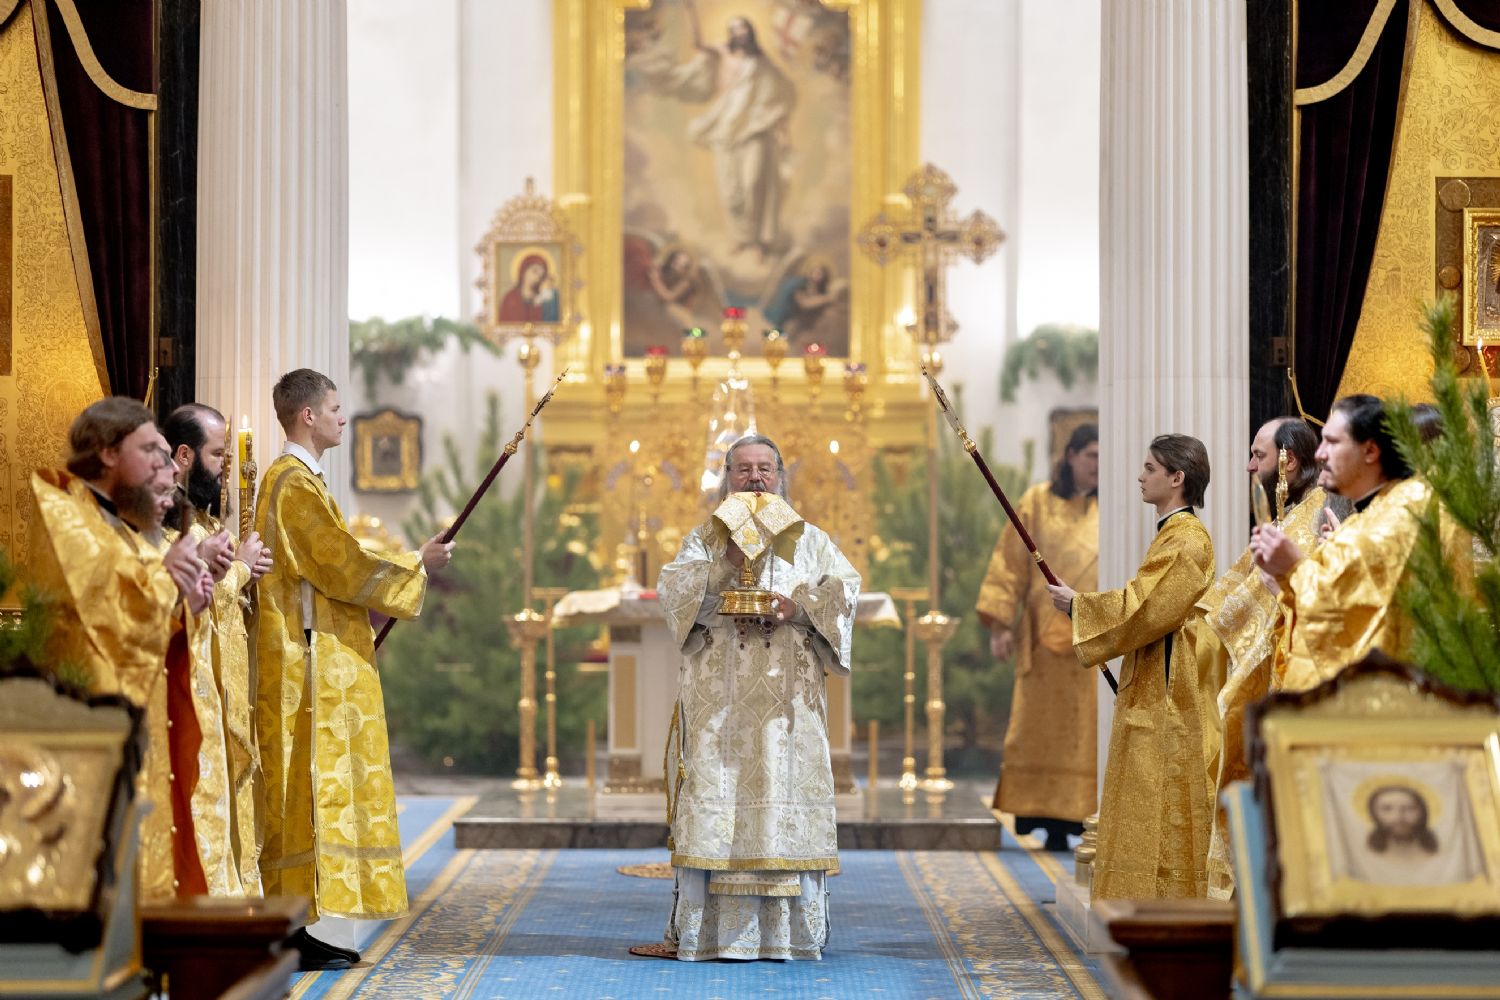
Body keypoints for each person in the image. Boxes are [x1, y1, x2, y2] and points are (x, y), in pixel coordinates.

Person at [254, 369, 454, 970]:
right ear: (307, 416)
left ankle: (301, 920)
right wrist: (415, 561)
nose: (345, 417)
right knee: (300, 786)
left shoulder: (302, 482)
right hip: (301, 660)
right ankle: (288, 925)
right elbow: (338, 562)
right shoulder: (291, 484)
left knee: (312, 789)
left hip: (317, 650)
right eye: (336, 408)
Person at [650, 434, 860, 961]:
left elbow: (844, 590)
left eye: (765, 469)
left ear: (781, 474)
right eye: (743, 470)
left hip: (785, 707)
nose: (755, 479)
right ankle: (708, 935)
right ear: (727, 476)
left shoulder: (809, 539)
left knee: (780, 806)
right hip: (718, 705)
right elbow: (673, 591)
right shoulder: (705, 539)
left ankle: (791, 936)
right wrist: (723, 571)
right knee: (717, 801)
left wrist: (795, 607)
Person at [29, 397, 218, 903]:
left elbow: (149, 603)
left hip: (133, 722)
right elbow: (108, 602)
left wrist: (185, 599)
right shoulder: (61, 509)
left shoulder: (118, 523)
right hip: (85, 732)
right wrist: (170, 576)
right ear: (110, 453)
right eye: (151, 453)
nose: (164, 468)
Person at [1047, 434, 1216, 899]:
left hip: (1169, 692)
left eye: (1150, 468)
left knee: (1159, 792)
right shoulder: (1171, 533)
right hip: (1152, 679)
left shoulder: (1187, 538)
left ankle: (1160, 904)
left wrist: (1078, 606)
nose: (1140, 477)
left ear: (1177, 478)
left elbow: (1146, 607)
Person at [1250, 395, 1456, 692]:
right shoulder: (1380, 511)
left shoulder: (1408, 509)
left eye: (1332, 442)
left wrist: (1294, 569)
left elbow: (1361, 619)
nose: (1320, 455)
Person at [1199, 417, 1324, 898]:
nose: (1250, 465)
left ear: (1287, 460)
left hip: (1288, 667)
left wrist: (1206, 623)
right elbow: (1244, 581)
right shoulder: (1290, 513)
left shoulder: (1311, 514)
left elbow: (1269, 593)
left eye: (1259, 455)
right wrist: (1201, 615)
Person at [163, 403, 275, 896]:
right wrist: (242, 569)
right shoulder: (171, 527)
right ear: (184, 455)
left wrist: (242, 572)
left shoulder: (205, 522)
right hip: (192, 692)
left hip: (219, 690)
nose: (225, 466)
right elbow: (188, 600)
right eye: (218, 454)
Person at [976, 423, 1099, 851]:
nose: (1097, 466)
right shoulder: (1038, 502)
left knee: (1088, 732)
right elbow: (1009, 563)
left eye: (1104, 457)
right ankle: (1043, 816)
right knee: (1039, 728)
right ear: (1071, 457)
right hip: (1041, 642)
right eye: (1090, 456)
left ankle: (1086, 816)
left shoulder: (1116, 509)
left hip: (1093, 638)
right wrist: (999, 625)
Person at [676, 5, 796, 256]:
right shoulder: (723, 52)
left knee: (754, 184)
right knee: (730, 190)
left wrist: (784, 135)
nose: (738, 33)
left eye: (742, 28)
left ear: (750, 32)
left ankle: (760, 242)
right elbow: (698, 43)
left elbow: (779, 98)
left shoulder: (762, 64)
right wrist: (690, 11)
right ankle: (742, 238)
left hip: (754, 129)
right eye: (733, 29)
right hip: (725, 127)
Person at [498, 253, 560, 323]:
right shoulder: (510, 298)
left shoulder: (544, 298)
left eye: (541, 275)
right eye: (535, 271)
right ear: (523, 271)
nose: (537, 278)